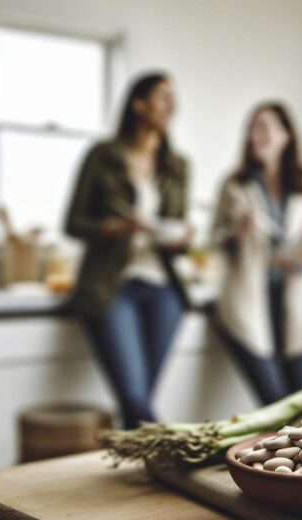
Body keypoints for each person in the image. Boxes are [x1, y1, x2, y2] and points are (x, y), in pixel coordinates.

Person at [65, 73, 189, 429]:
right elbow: (74, 223)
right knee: (135, 397)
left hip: (166, 289)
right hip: (111, 286)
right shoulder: (103, 156)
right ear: (138, 105)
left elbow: (176, 226)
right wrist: (115, 227)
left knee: (138, 401)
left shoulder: (178, 166)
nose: (171, 106)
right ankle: (175, 450)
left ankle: (137, 474)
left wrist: (181, 238)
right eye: (163, 97)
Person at [211, 102, 302, 405]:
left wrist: (292, 258)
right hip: (246, 302)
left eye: (263, 126)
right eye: (252, 128)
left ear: (285, 135)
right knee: (274, 404)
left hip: (296, 304)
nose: (255, 135)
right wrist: (238, 230)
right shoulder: (234, 184)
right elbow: (214, 242)